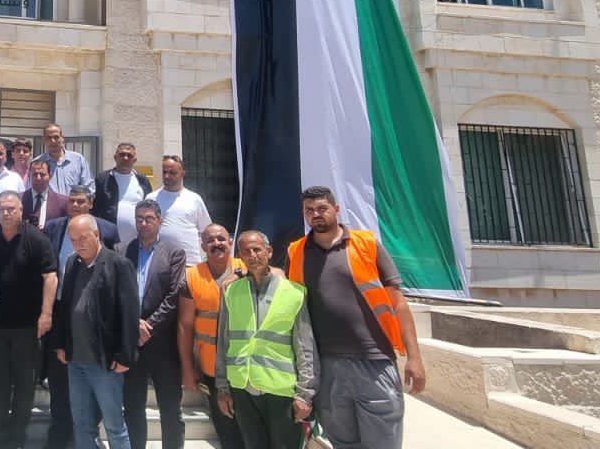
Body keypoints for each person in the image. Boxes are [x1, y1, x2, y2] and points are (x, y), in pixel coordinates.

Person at [286, 186, 425, 449]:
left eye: (322, 208)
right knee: (343, 443)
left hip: (374, 361)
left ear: (336, 209)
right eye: (309, 210)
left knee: (383, 442)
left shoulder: (367, 244)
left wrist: (414, 358)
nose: (316, 214)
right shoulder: (296, 252)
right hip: (326, 365)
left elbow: (398, 304)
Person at [216, 231, 318, 449]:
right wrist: (223, 388)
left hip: (280, 390)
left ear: (269, 252)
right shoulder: (231, 291)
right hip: (242, 388)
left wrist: (305, 394)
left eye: (257, 249)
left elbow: (305, 347)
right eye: (246, 251)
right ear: (240, 257)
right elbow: (223, 343)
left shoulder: (293, 293)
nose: (252, 255)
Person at [0, 192, 57, 449]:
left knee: (24, 384)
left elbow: (50, 277)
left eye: (11, 208)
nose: (6, 212)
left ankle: (17, 438)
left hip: (27, 327)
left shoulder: (37, 240)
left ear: (21, 210)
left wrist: (46, 314)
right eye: (2, 209)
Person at [50, 215, 140, 449]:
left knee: (114, 425)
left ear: (97, 234)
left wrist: (125, 355)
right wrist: (61, 343)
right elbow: (65, 306)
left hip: (104, 361)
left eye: (83, 238)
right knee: (81, 423)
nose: (78, 244)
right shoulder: (72, 263)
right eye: (73, 240)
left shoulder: (118, 265)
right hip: (75, 360)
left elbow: (130, 313)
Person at [39, 186, 119, 449]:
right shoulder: (54, 227)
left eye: (81, 201)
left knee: (91, 379)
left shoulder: (107, 229)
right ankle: (59, 434)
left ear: (91, 203)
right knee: (59, 376)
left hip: (94, 314)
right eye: (72, 201)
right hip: (60, 309)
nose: (75, 205)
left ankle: (87, 434)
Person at [118, 199, 188, 449]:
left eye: (149, 218)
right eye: (139, 218)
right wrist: (134, 323)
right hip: (131, 342)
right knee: (133, 406)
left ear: (160, 221)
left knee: (170, 408)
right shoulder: (121, 250)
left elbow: (174, 295)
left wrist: (149, 326)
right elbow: (115, 292)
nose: (144, 223)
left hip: (163, 344)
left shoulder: (174, 253)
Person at [177, 224, 248, 449]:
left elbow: (276, 274)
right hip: (213, 368)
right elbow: (185, 326)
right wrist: (188, 369)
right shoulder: (192, 276)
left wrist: (240, 274)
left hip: (248, 367)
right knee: (227, 433)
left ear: (230, 242)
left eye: (221, 239)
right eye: (210, 240)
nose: (216, 244)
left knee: (253, 433)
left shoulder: (247, 266)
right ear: (202, 246)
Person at [146, 155, 211, 265]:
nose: (167, 176)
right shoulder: (151, 199)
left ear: (182, 173)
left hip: (189, 262)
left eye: (172, 173)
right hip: (160, 263)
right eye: (164, 172)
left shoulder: (194, 199)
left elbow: (207, 231)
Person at [94, 142, 154, 241]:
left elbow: (150, 208)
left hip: (137, 241)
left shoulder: (142, 180)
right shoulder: (103, 179)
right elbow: (94, 209)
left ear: (134, 160)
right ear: (115, 157)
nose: (125, 158)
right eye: (122, 155)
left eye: (129, 155)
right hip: (109, 241)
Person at [34, 123, 93, 196]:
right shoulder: (37, 162)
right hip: (49, 203)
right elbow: (33, 190)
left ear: (62, 138)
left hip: (73, 203)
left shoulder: (78, 160)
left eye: (56, 137)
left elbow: (88, 187)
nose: (53, 141)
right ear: (44, 140)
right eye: (49, 138)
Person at [21, 158, 68, 229]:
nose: (38, 178)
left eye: (42, 174)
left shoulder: (63, 202)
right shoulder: (18, 199)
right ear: (29, 176)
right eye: (35, 174)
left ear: (50, 176)